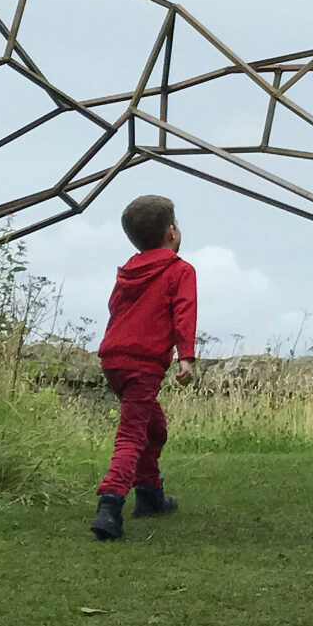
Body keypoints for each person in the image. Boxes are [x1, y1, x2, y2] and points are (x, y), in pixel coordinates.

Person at [91, 193, 198, 542]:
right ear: (171, 233)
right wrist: (185, 356)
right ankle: (110, 505)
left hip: (114, 359)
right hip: (143, 362)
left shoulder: (128, 271)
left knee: (155, 429)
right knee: (132, 435)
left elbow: (114, 308)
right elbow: (184, 312)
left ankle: (150, 494)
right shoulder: (179, 271)